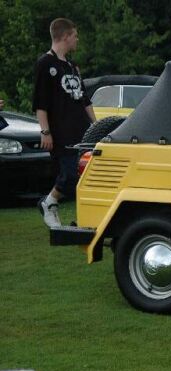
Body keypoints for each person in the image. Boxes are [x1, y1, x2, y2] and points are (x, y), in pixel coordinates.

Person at [34, 18, 95, 228]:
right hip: (62, 132)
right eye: (75, 36)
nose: (77, 39)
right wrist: (45, 131)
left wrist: (96, 126)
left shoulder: (72, 66)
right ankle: (49, 203)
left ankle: (85, 218)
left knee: (87, 175)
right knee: (68, 175)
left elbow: (85, 99)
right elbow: (40, 103)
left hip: (82, 131)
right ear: (66, 36)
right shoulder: (45, 64)